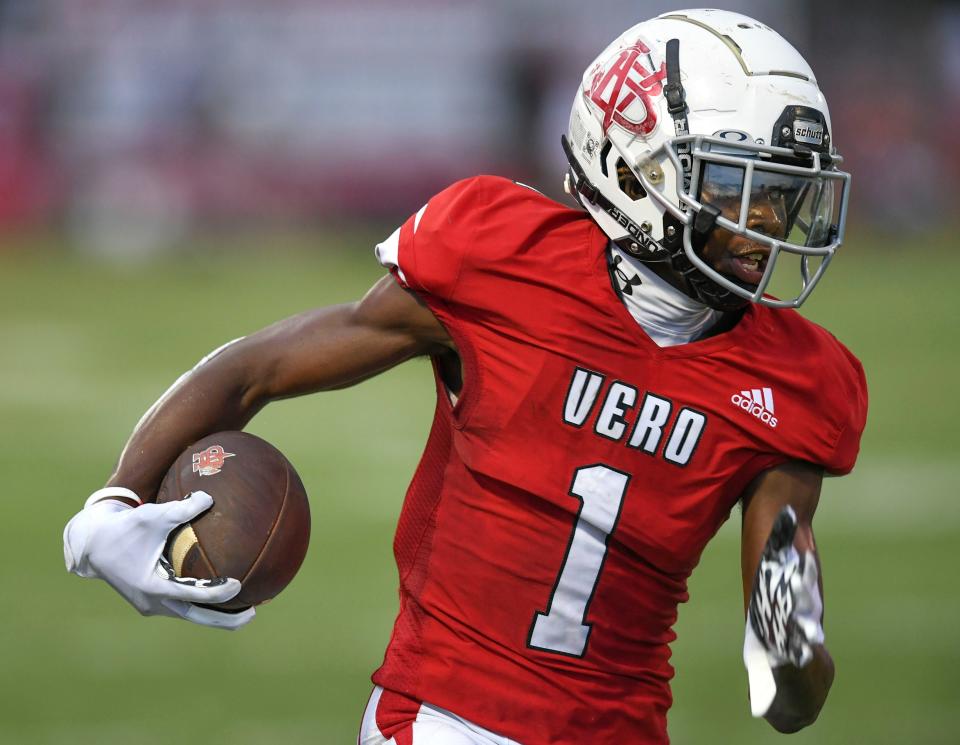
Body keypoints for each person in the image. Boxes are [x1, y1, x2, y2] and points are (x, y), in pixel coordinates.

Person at [63, 9, 867, 744]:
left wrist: (793, 649)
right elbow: (255, 368)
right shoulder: (504, 260)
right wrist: (114, 498)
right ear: (638, 171)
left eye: (784, 194)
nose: (767, 224)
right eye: (741, 187)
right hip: (446, 720)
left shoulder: (795, 381)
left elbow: (788, 701)